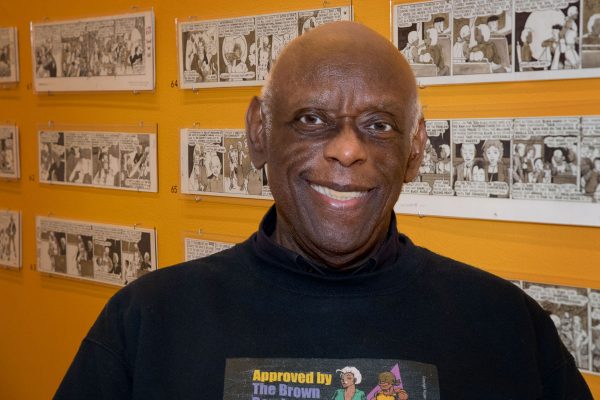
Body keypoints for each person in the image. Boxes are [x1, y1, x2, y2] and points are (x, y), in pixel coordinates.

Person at [55, 22, 592, 398]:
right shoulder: (148, 321)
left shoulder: (506, 327)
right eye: (312, 120)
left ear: (415, 149)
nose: (347, 149)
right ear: (259, 134)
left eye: (379, 125)